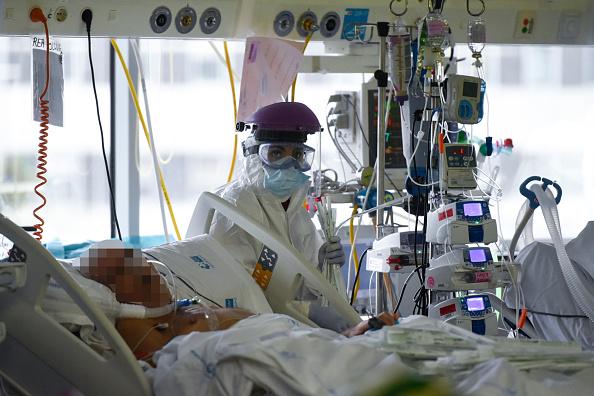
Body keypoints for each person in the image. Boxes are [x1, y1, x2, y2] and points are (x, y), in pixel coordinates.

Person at [209, 102, 347, 329]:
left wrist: (320, 271)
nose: (289, 164)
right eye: (276, 153)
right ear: (253, 154)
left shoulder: (298, 216)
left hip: (287, 329)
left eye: (298, 154)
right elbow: (235, 297)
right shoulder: (232, 210)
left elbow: (296, 288)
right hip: (245, 333)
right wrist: (307, 312)